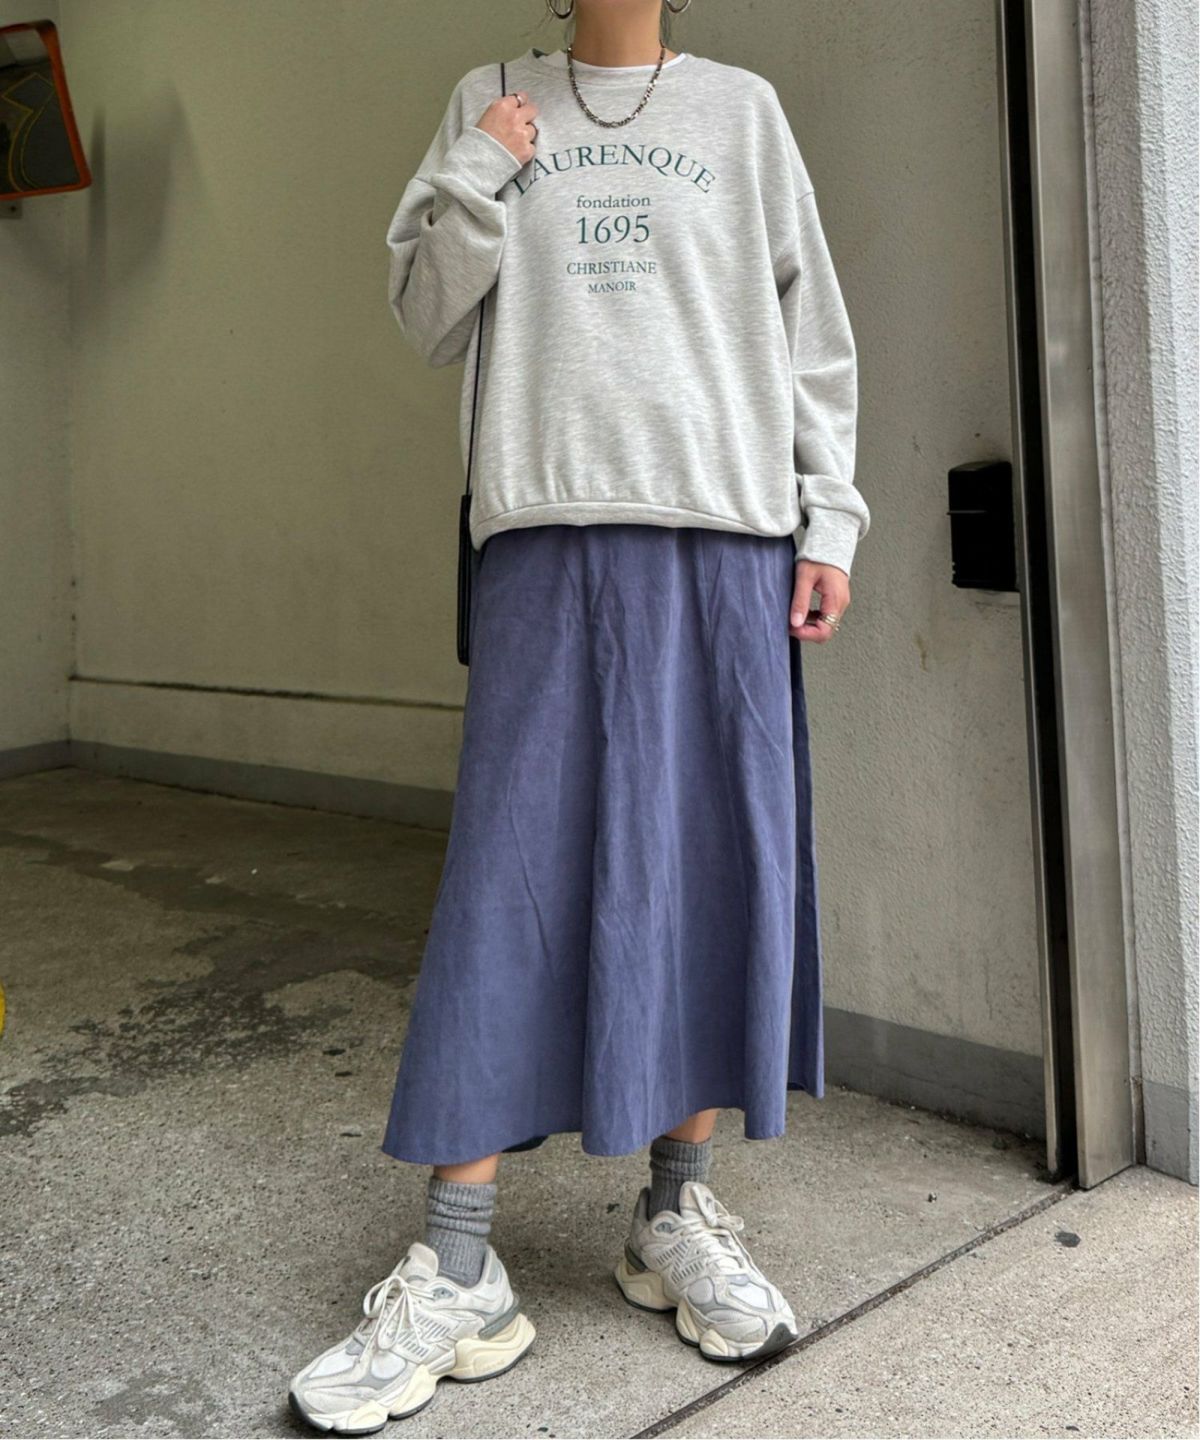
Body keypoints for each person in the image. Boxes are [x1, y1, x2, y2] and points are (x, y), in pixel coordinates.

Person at [288, 0, 869, 1431]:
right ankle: (459, 1266)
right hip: (544, 530)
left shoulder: (741, 112)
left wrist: (830, 520)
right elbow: (428, 314)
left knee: (709, 866)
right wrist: (482, 167)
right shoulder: (489, 96)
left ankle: (676, 1214)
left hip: (728, 536)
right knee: (511, 880)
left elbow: (810, 328)